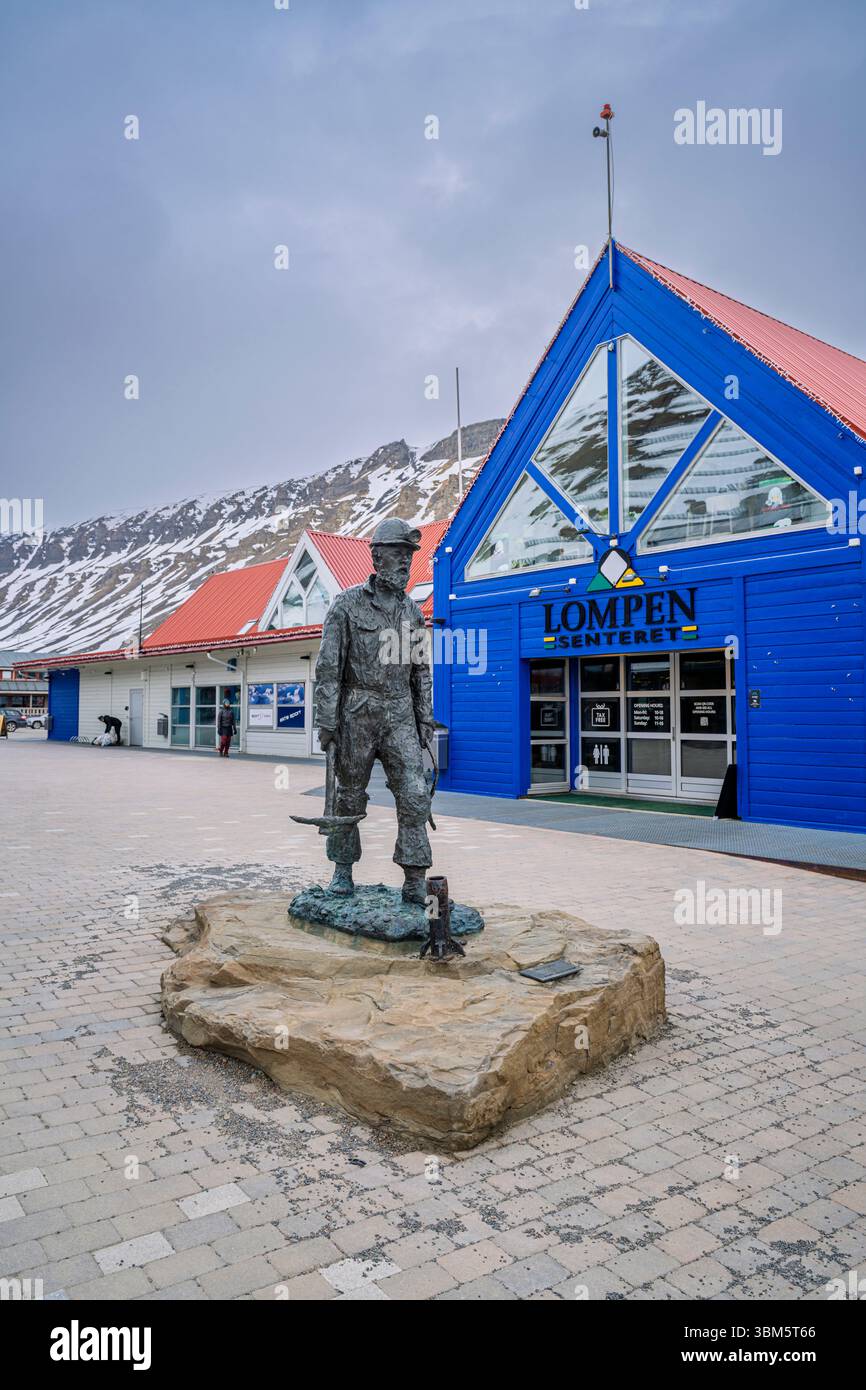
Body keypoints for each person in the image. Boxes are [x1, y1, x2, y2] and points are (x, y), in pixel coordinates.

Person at [313, 516, 434, 905]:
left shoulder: (413, 613)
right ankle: (342, 871)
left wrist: (424, 719)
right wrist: (326, 721)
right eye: (398, 554)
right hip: (357, 710)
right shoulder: (346, 606)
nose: (405, 563)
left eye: (408, 556)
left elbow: (420, 673)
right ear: (377, 557)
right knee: (348, 796)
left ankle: (415, 877)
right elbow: (329, 667)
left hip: (399, 711)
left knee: (415, 794)